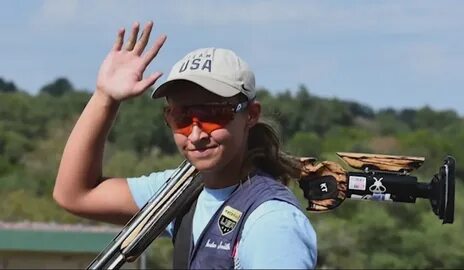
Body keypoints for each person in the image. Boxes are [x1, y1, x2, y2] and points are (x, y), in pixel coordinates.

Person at [53, 21, 317, 269]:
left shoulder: (272, 222)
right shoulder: (183, 191)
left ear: (250, 115)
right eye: (181, 117)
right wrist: (105, 98)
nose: (195, 134)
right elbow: (75, 194)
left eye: (214, 114)